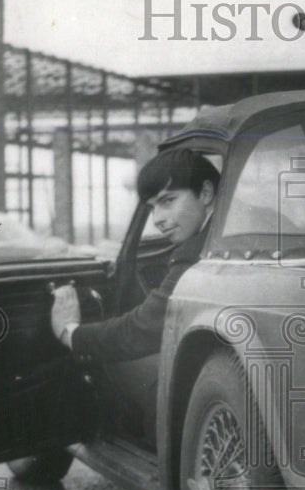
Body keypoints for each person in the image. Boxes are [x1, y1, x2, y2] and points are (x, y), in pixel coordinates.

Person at [50, 148, 220, 363]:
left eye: (168, 200)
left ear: (205, 193)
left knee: (115, 368)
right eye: (151, 208)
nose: (157, 219)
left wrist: (72, 334)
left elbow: (141, 331)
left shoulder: (197, 253)